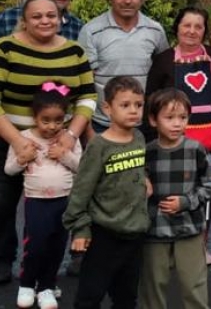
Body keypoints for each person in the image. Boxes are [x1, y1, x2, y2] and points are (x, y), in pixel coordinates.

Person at [0, 0, 96, 285]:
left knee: (62, 203)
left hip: (60, 142)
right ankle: (5, 259)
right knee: (4, 203)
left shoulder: (75, 52)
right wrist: (17, 141)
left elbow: (88, 97)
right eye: (37, 16)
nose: (45, 21)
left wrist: (70, 135)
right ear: (25, 20)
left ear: (60, 18)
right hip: (10, 138)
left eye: (51, 15)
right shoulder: (7, 49)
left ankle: (66, 260)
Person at [145, 7, 211, 265]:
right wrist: (152, 135)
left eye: (198, 26)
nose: (192, 31)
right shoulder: (163, 60)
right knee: (172, 190)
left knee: (207, 191)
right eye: (187, 25)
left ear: (205, 31)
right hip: (173, 138)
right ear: (177, 28)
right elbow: (151, 98)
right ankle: (172, 244)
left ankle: (199, 246)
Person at [63, 76, 148, 309]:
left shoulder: (139, 138)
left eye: (138, 105)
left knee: (126, 296)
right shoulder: (99, 146)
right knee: (91, 295)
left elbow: (138, 168)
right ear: (107, 108)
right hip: (103, 234)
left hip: (134, 232)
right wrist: (80, 228)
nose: (133, 111)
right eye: (125, 105)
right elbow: (81, 189)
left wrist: (145, 179)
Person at [4, 83, 83, 309]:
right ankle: (27, 284)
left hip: (64, 201)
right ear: (34, 116)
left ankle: (47, 286)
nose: (52, 126)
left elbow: (83, 167)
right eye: (45, 120)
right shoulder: (23, 138)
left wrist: (64, 155)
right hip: (36, 201)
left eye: (58, 120)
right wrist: (22, 158)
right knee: (35, 245)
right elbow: (9, 170)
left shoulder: (69, 140)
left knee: (57, 246)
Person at [139, 88, 211, 309]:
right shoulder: (147, 152)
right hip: (155, 229)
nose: (177, 124)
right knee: (153, 285)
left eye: (182, 117)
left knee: (194, 284)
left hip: (189, 228)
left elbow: (209, 184)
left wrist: (186, 202)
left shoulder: (196, 150)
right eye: (169, 117)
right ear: (153, 120)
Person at [78, 0, 168, 135]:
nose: (127, 0)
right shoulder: (91, 31)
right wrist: (88, 129)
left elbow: (163, 73)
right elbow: (85, 84)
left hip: (144, 123)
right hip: (103, 124)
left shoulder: (155, 30)